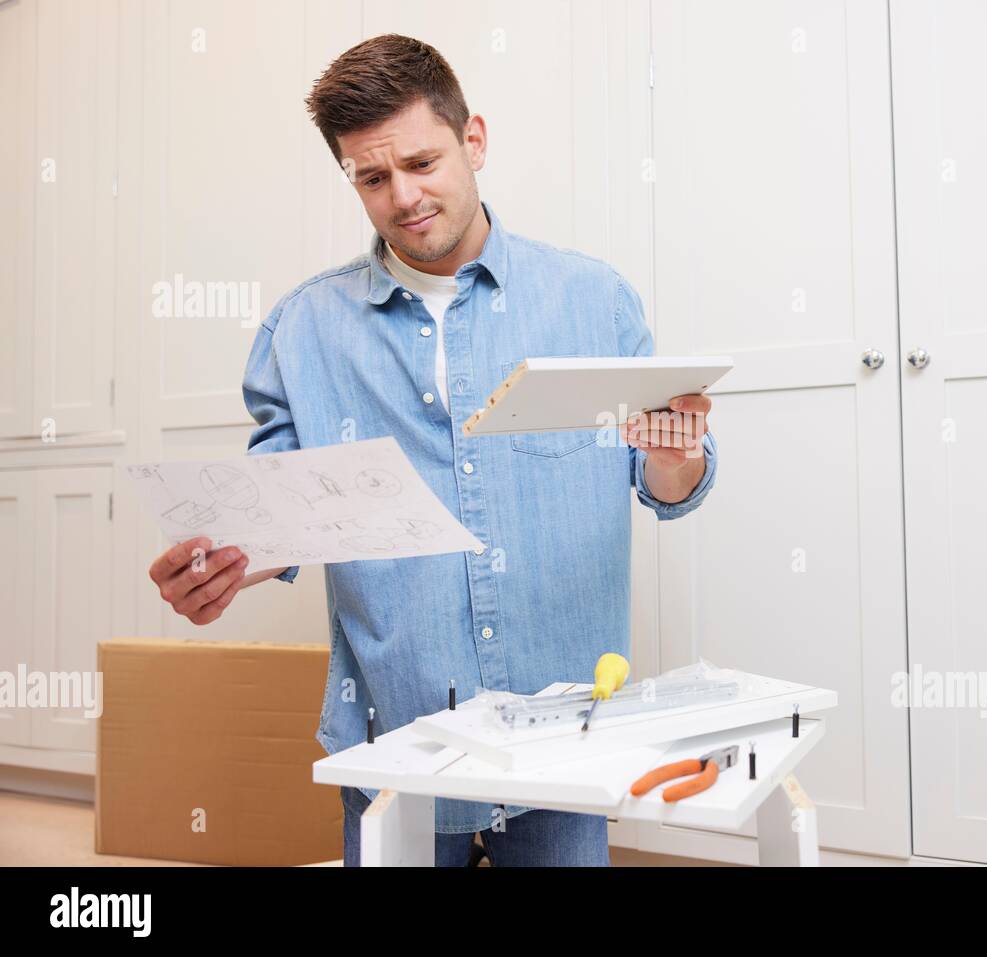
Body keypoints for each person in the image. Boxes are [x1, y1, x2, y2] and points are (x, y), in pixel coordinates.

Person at [147, 33, 718, 867]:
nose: (403, 197)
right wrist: (218, 566)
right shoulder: (302, 331)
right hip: (395, 739)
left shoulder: (593, 300)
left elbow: (669, 483)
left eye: (422, 162)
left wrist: (676, 453)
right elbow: (277, 514)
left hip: (561, 741)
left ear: (473, 139)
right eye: (371, 178)